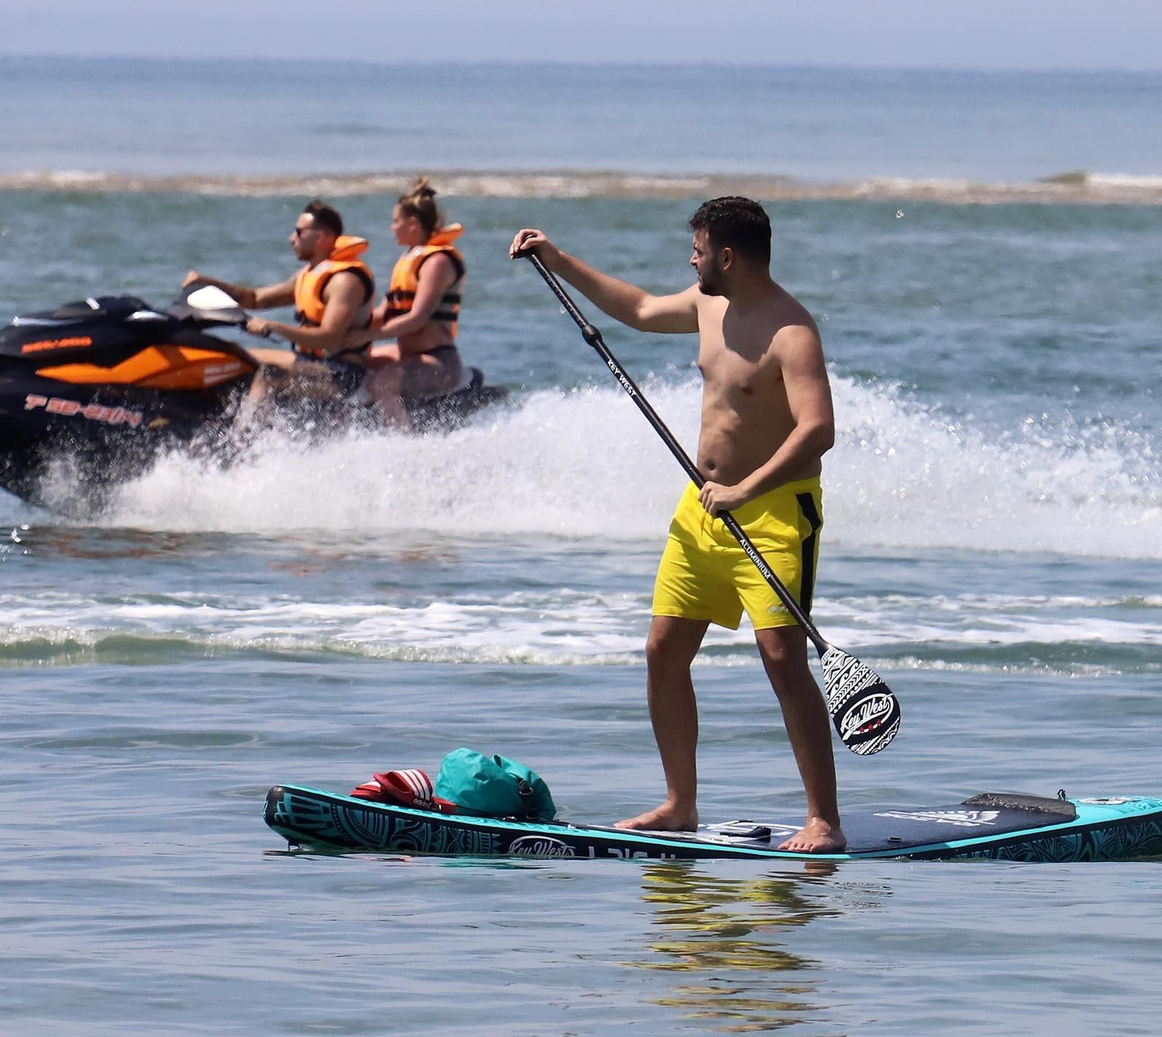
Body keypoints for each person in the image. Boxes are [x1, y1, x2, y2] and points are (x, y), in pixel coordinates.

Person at [509, 197, 844, 853]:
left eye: (697, 250)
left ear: (728, 255)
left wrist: (746, 487)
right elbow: (633, 309)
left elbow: (818, 429)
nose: (689, 260)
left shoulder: (791, 331)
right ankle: (679, 804)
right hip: (702, 510)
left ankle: (823, 819)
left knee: (782, 658)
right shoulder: (705, 305)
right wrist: (555, 257)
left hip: (774, 513)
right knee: (664, 651)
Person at [182, 199, 374, 403]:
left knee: (269, 375)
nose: (291, 239)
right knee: (236, 357)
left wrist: (274, 326)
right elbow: (255, 299)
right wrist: (208, 282)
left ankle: (246, 434)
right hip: (309, 362)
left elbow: (329, 339)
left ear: (320, 237)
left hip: (341, 373)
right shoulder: (309, 275)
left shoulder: (345, 281)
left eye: (299, 232)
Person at [340, 178, 467, 429]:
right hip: (407, 354)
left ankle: (401, 445)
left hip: (438, 360)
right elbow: (385, 313)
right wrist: (342, 334)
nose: (392, 227)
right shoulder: (408, 260)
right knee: (350, 363)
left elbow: (417, 317)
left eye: (396, 221)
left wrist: (368, 334)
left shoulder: (437, 261)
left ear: (412, 224)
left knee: (383, 382)